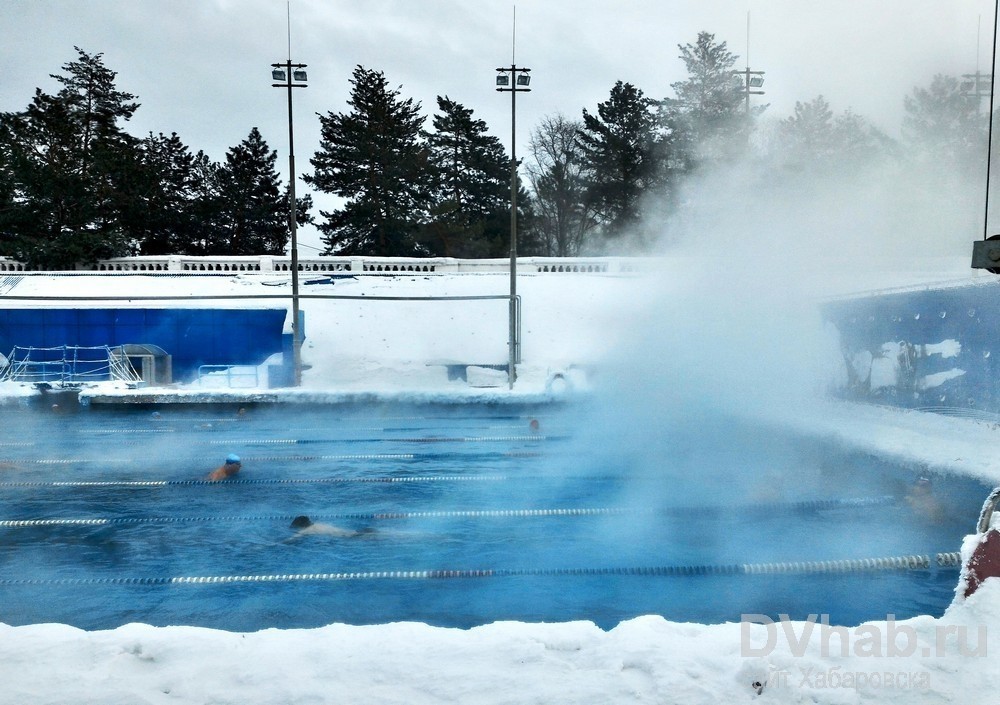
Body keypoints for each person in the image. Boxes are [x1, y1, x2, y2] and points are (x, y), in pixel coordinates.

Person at [288, 515, 372, 538]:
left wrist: (277, 544)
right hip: (352, 532)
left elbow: (292, 539)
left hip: (348, 537)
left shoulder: (307, 530)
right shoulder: (318, 524)